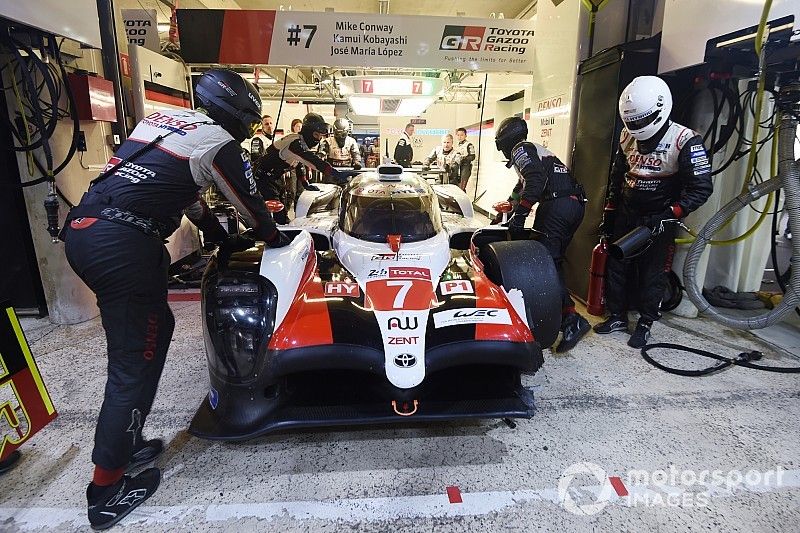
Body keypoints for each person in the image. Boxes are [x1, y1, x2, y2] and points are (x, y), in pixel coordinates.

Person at [61, 68, 290, 530]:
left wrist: (208, 230)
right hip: (123, 244)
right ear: (241, 113)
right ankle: (105, 490)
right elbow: (248, 206)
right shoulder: (222, 143)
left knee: (151, 334)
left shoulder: (164, 121)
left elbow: (177, 187)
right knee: (135, 361)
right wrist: (276, 239)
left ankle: (125, 443)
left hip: (87, 231)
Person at [594, 75, 713, 348]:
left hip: (660, 215)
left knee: (652, 272)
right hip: (628, 211)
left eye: (641, 121)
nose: (636, 127)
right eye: (632, 122)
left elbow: (701, 188)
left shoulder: (685, 140)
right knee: (617, 266)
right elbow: (617, 176)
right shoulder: (626, 136)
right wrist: (610, 212)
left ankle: (646, 322)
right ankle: (617, 317)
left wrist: (672, 212)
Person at [494, 116, 590, 353]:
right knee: (553, 261)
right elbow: (522, 186)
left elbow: (535, 180)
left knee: (546, 262)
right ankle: (565, 313)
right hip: (572, 204)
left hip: (558, 205)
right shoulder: (534, 150)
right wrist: (510, 206)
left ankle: (571, 319)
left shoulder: (520, 149)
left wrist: (521, 215)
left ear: (505, 142)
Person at [255, 112, 358, 223]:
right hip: (263, 178)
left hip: (273, 177)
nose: (318, 139)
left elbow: (299, 162)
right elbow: (312, 160)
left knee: (282, 207)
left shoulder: (299, 141)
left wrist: (304, 183)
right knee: (278, 213)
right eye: (316, 135)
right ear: (308, 132)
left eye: (320, 136)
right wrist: (334, 172)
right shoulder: (294, 142)